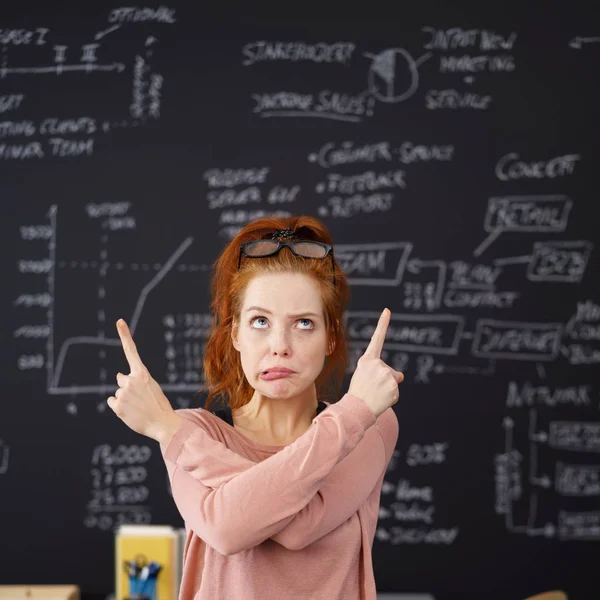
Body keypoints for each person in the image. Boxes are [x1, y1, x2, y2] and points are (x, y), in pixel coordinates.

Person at [107, 215, 404, 599]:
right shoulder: (195, 429)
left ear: (331, 337)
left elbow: (299, 527)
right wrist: (173, 431)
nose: (279, 344)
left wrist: (169, 432)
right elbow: (227, 529)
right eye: (260, 321)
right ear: (236, 335)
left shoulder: (369, 426)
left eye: (304, 324)